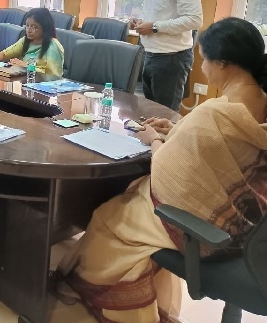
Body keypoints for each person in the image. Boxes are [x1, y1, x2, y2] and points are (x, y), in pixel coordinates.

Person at [56, 17, 267, 323]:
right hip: (250, 227)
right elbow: (220, 154)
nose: (202, 66)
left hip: (208, 233)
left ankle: (121, 308)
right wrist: (179, 129)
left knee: (109, 216)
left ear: (222, 64)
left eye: (204, 59)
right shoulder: (260, 103)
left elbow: (168, 170)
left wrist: (154, 138)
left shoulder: (215, 112)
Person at [130, 0, 203, 112]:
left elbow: (194, 20)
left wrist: (154, 27)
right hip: (149, 53)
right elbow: (159, 15)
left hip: (171, 58)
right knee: (149, 111)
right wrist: (141, 22)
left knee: (165, 115)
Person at [0, 7, 64, 77]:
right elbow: (4, 54)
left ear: (45, 28)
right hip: (27, 80)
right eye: (27, 25)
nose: (29, 30)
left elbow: (52, 75)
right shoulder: (26, 40)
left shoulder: (53, 46)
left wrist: (26, 66)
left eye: (34, 27)